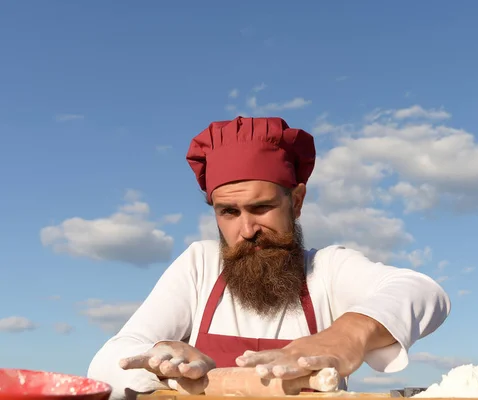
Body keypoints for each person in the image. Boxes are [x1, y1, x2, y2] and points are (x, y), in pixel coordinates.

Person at [87, 116, 451, 400]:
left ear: (296, 202)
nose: (246, 229)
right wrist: (160, 361)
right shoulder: (199, 265)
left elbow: (424, 292)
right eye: (228, 212)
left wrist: (345, 337)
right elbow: (107, 363)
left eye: (261, 208)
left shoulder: (327, 271)